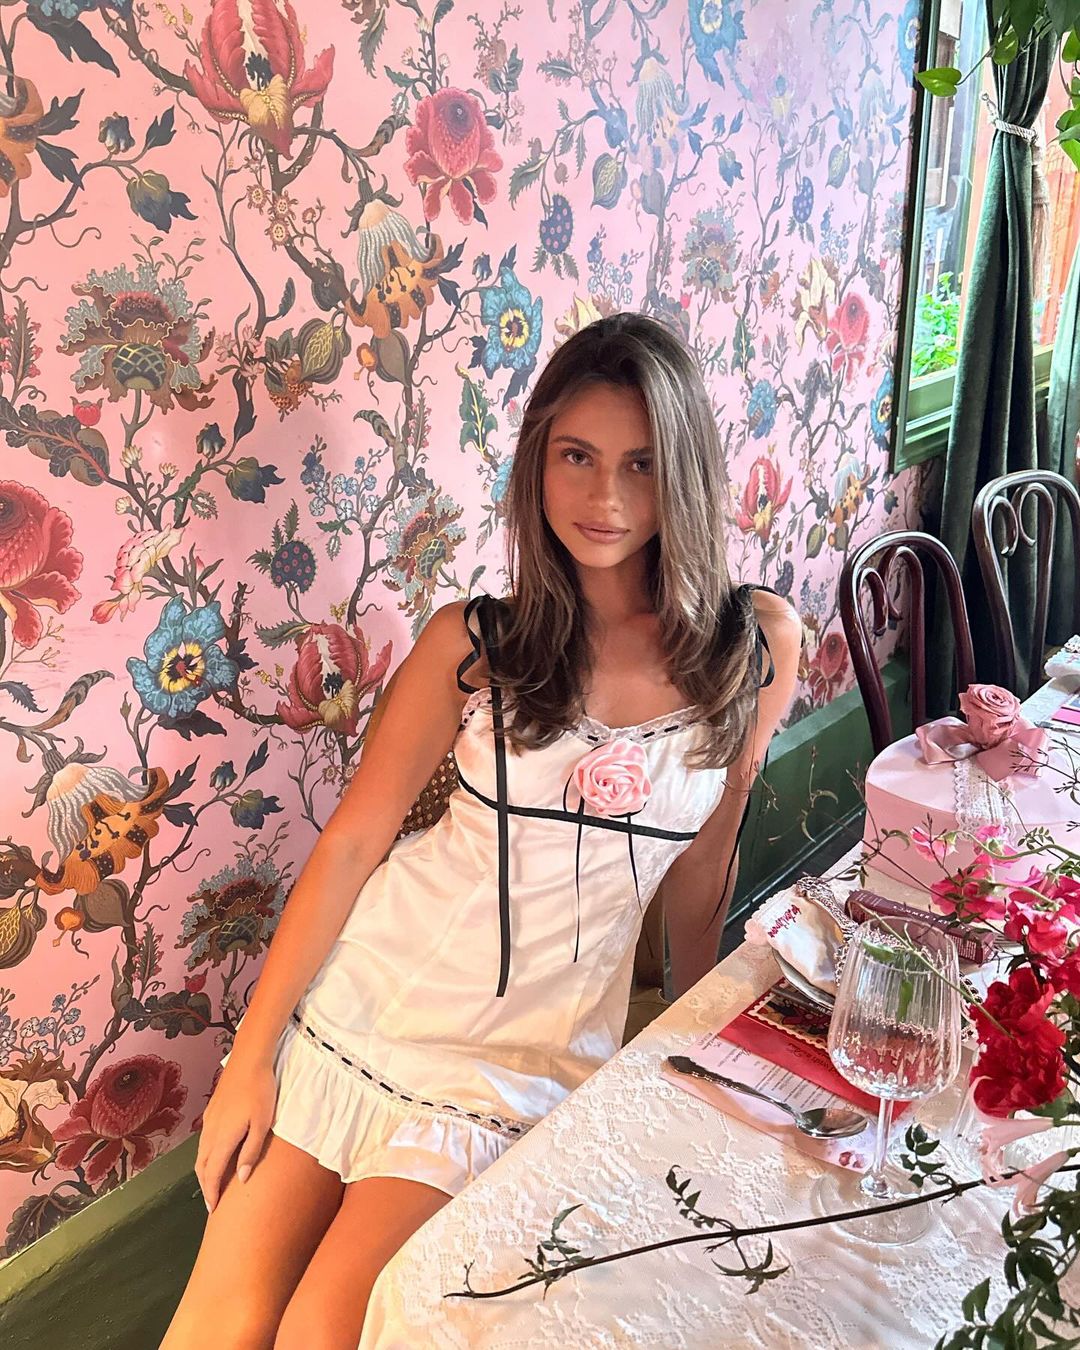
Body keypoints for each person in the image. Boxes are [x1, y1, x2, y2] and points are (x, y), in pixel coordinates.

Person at [161, 313, 801, 1349]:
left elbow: (705, 862)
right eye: (577, 457)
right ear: (537, 462)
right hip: (368, 1005)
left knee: (323, 1328)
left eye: (640, 464)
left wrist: (687, 1048)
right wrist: (252, 1057)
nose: (605, 498)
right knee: (215, 1326)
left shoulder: (756, 647)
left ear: (683, 472)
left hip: (520, 1063)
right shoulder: (472, 644)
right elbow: (353, 846)